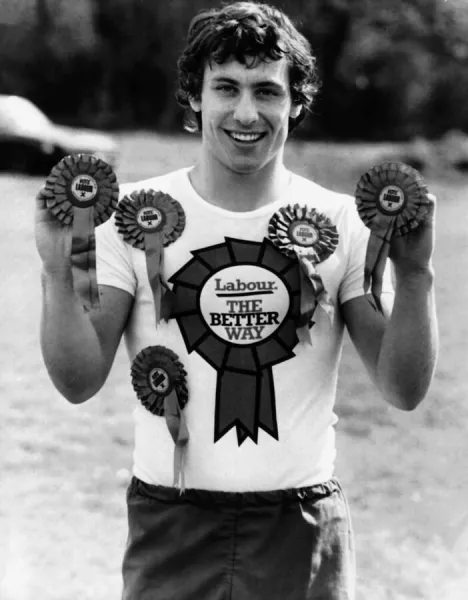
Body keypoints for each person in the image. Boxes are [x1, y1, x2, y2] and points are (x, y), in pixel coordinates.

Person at [35, 2, 439, 599]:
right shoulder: (131, 218)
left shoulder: (343, 224)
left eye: (267, 91)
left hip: (301, 530)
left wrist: (416, 274)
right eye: (226, 87)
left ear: (296, 102)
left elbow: (403, 390)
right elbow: (77, 380)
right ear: (194, 97)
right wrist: (53, 272)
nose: (246, 112)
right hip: (170, 524)